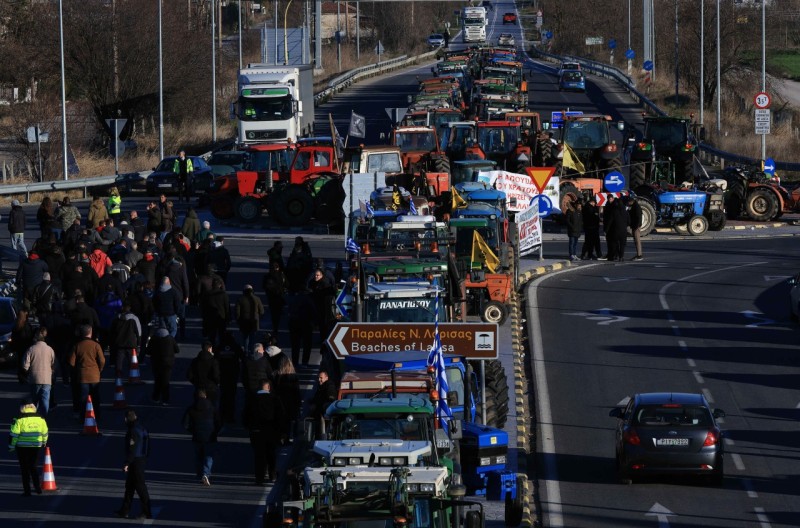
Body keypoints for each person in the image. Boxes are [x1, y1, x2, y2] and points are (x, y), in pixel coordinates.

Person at [115, 409, 152, 520]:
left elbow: (132, 449)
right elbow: (148, 445)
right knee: (129, 487)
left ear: (126, 419)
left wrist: (127, 463)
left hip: (136, 461)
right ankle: (124, 510)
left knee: (141, 488)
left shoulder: (133, 431)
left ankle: (147, 512)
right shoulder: (141, 428)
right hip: (141, 459)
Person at [247, 379, 284, 485]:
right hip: (271, 431)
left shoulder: (252, 399)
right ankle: (272, 474)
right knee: (271, 453)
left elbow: (246, 415)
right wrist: (281, 431)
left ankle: (259, 478)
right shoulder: (274, 399)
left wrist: (250, 427)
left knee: (259, 455)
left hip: (256, 431)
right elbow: (280, 416)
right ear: (268, 387)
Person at [8, 401, 49, 496]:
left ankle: (27, 491)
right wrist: (44, 442)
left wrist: (11, 447)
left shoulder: (18, 419)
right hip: (36, 446)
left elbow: (14, 435)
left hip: (22, 447)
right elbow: (45, 432)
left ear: (22, 407)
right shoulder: (41, 418)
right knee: (33, 466)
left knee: (24, 469)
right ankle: (38, 488)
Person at [182, 390, 221, 486]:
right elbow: (219, 423)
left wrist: (193, 431)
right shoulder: (213, 408)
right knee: (209, 456)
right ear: (206, 396)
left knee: (198, 456)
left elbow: (185, 424)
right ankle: (206, 473)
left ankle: (200, 474)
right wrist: (215, 431)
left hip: (197, 436)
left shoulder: (191, 409)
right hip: (210, 436)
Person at [69, 324, 106, 420]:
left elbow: (71, 362)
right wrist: (100, 369)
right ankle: (97, 416)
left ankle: (83, 417)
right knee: (96, 397)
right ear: (91, 333)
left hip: (82, 376)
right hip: (94, 375)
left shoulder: (77, 345)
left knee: (83, 398)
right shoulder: (96, 345)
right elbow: (102, 360)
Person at [21, 328, 56, 416]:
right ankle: (43, 417)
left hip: (34, 378)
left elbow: (25, 366)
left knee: (34, 400)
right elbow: (54, 364)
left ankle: (34, 416)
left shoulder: (31, 349)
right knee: (45, 399)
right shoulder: (50, 349)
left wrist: (26, 373)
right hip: (47, 379)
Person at [242, 343, 273, 427]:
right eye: (263, 349)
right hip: (261, 388)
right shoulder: (264, 361)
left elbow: (243, 375)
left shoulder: (247, 361)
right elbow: (270, 374)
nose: (264, 351)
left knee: (249, 405)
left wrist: (246, 385)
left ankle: (247, 422)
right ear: (259, 350)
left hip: (250, 387)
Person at [216, 331, 244, 424]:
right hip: (233, 374)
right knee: (231, 396)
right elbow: (243, 357)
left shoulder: (220, 346)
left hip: (222, 373)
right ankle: (230, 416)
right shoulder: (235, 346)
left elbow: (215, 359)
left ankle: (222, 414)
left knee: (223, 395)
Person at [146, 327, 179, 405]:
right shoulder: (170, 338)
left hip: (156, 363)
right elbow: (177, 350)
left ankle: (156, 397)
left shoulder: (154, 339)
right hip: (168, 363)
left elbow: (148, 351)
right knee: (165, 381)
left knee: (157, 380)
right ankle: (165, 399)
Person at [273, 354, 301, 442]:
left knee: (280, 421)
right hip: (291, 403)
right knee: (290, 421)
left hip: (280, 402)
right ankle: (289, 437)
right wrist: (298, 403)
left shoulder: (277, 376)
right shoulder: (294, 377)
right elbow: (297, 392)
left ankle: (281, 437)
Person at [110, 302, 142, 377]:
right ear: (130, 308)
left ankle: (118, 375)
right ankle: (132, 376)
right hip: (131, 343)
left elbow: (112, 332)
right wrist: (138, 343)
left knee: (119, 360)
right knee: (131, 361)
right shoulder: (134, 318)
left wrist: (112, 343)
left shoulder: (116, 318)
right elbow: (138, 332)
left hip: (119, 343)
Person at [287, 291, 314, 366]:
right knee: (307, 345)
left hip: (294, 324)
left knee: (295, 345)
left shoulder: (294, 299)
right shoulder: (309, 300)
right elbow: (313, 312)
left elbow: (289, 311)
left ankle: (295, 362)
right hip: (306, 324)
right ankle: (305, 362)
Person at [236, 285, 264, 354]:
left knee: (245, 338)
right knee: (252, 338)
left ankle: (246, 352)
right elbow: (262, 311)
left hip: (244, 321)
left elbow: (237, 313)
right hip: (254, 322)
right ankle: (251, 352)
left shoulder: (240, 299)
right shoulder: (257, 299)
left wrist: (238, 321)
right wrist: (257, 317)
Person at [262, 261, 287, 335]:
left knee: (273, 312)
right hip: (279, 296)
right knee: (278, 312)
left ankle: (275, 327)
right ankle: (276, 326)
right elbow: (287, 284)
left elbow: (264, 286)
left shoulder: (267, 276)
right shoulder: (281, 275)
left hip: (271, 297)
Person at [580, 196, 603, 260]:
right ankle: (589, 254)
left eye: (594, 202)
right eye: (592, 202)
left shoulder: (592, 208)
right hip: (590, 227)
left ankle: (589, 254)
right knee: (590, 242)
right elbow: (592, 217)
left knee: (591, 242)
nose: (593, 204)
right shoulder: (588, 208)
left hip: (592, 227)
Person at [628, 196, 644, 261]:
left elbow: (638, 217)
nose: (628, 203)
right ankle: (639, 254)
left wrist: (637, 226)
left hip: (636, 226)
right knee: (636, 240)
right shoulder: (634, 206)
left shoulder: (636, 207)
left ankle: (639, 255)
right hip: (635, 226)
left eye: (629, 202)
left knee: (637, 241)